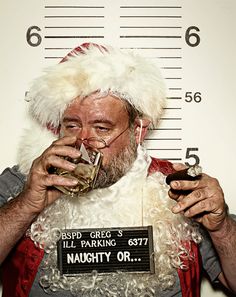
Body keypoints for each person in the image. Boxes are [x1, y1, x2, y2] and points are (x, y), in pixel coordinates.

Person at [0, 43, 235, 297]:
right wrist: (26, 205)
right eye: (72, 126)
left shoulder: (180, 189)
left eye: (102, 128)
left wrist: (221, 228)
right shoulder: (25, 182)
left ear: (137, 131)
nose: (83, 143)